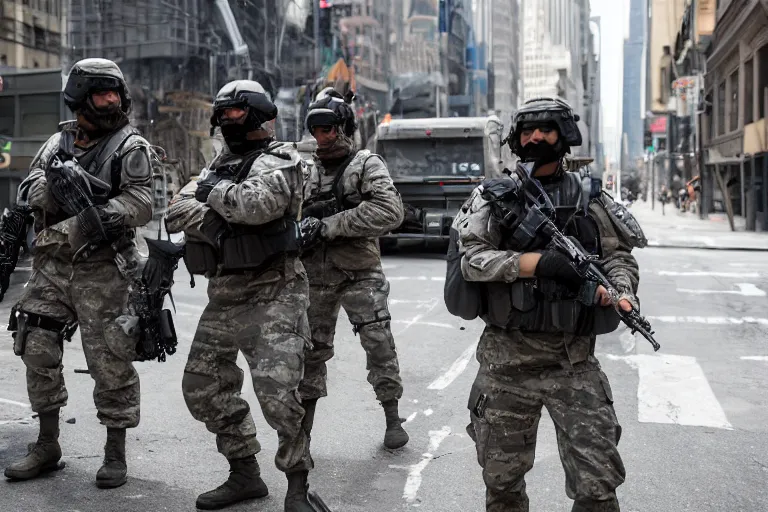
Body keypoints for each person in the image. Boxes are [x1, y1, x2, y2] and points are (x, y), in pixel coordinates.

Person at [452, 97, 646, 512]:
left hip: (572, 361)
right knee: (502, 485)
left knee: (599, 484)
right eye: (527, 130)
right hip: (506, 361)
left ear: (565, 135)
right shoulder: (494, 196)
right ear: (516, 139)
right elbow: (472, 260)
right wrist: (539, 263)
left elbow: (617, 257)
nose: (536, 137)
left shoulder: (590, 196)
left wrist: (620, 291)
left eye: (546, 129)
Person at [165, 80, 324, 512]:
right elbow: (174, 211)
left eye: (237, 114)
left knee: (277, 392)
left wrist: (208, 195)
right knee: (202, 385)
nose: (229, 122)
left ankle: (297, 487)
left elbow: (255, 205)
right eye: (224, 116)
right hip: (226, 292)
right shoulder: (218, 162)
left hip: (275, 290)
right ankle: (245, 474)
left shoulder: (284, 160)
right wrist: (219, 216)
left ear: (259, 116)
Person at [4, 58, 154, 489]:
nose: (112, 100)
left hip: (104, 266)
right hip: (53, 267)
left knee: (109, 358)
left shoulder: (130, 146)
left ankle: (114, 451)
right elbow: (28, 188)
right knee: (35, 342)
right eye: (101, 93)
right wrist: (55, 188)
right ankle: (47, 443)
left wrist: (87, 217)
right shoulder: (57, 142)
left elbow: (140, 203)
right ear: (81, 96)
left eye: (115, 93)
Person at [297, 88, 408, 449]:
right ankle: (303, 431)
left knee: (378, 344)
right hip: (315, 275)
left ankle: (392, 417)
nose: (321, 138)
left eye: (328, 129)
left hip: (360, 271)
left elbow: (389, 212)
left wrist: (329, 225)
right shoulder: (303, 170)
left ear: (344, 127)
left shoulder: (365, 164)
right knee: (309, 352)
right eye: (316, 131)